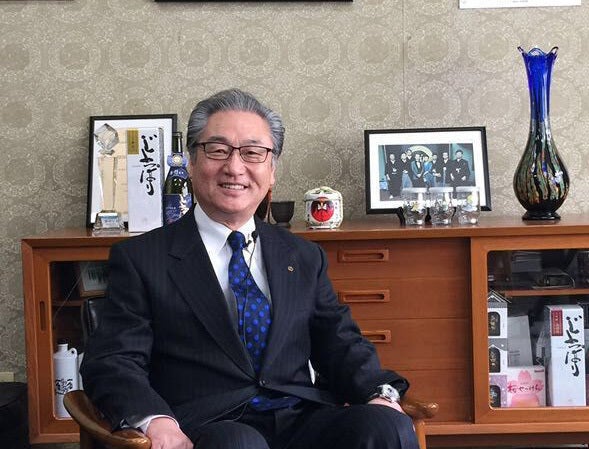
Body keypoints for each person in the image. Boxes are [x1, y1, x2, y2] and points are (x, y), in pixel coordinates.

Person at [81, 88, 419, 449]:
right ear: (191, 162)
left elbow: (339, 343)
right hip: (207, 427)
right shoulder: (141, 259)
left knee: (387, 426)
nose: (235, 167)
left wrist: (379, 393)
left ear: (271, 171)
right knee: (239, 443)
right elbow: (114, 360)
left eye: (253, 153)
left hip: (299, 417)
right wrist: (156, 421)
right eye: (218, 150)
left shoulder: (303, 256)